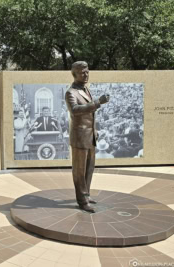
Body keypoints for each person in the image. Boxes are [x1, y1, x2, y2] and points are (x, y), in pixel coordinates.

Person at [65, 61, 110, 213]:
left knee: (89, 168)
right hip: (79, 137)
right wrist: (98, 102)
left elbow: (90, 114)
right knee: (79, 170)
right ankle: (82, 201)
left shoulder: (86, 89)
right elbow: (76, 110)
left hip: (90, 136)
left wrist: (95, 130)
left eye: (87, 71)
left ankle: (86, 194)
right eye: (82, 72)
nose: (85, 75)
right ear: (75, 74)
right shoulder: (71, 92)